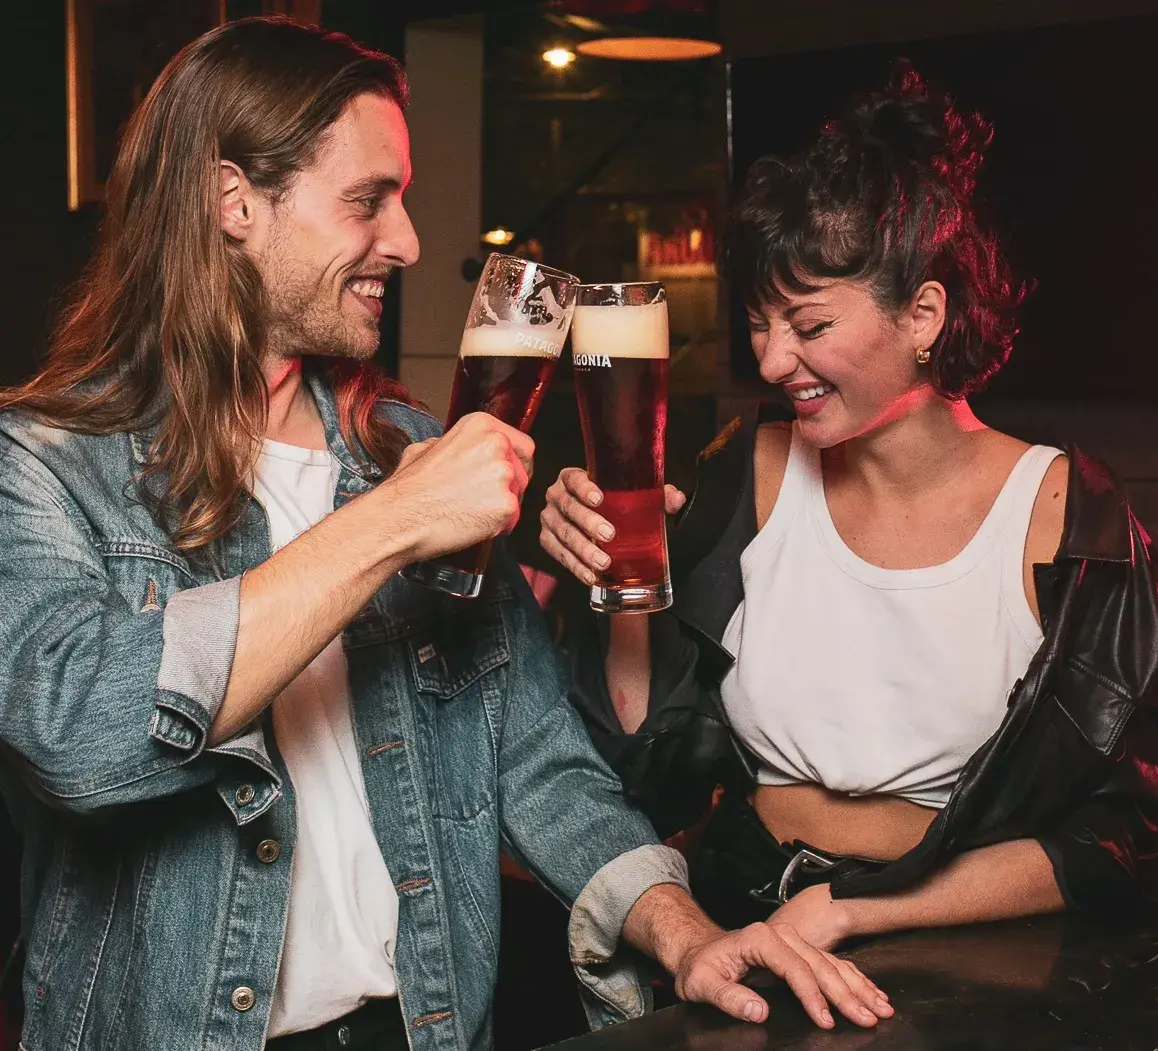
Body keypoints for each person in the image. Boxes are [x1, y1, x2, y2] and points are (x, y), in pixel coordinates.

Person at [0, 18, 891, 1051]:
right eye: (368, 200)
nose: (409, 242)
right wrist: (392, 522)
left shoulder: (406, 447)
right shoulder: (45, 460)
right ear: (234, 201)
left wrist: (684, 932)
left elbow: (536, 758)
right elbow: (81, 740)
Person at [540, 67, 1158, 946]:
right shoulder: (745, 471)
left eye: (809, 325)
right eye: (759, 323)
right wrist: (619, 581)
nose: (772, 361)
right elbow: (640, 763)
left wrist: (855, 908)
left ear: (923, 315)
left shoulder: (1062, 516)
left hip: (951, 949)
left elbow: (1109, 839)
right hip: (742, 920)